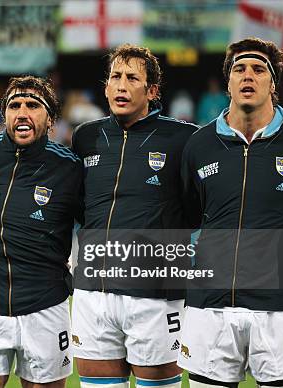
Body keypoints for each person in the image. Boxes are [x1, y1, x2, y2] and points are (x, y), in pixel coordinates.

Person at [178, 38, 283, 388]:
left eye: (259, 70)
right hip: (210, 303)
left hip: (281, 303)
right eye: (239, 69)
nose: (248, 76)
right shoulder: (199, 144)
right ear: (227, 81)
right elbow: (188, 216)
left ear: (273, 84)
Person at [71, 44, 198, 388]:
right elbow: (79, 206)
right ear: (106, 87)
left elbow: (201, 208)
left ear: (152, 91)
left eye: (132, 78)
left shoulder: (185, 139)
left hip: (155, 293)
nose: (121, 85)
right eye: (115, 77)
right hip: (92, 292)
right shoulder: (86, 137)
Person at [0, 76, 82, 387]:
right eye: (14, 105)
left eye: (33, 105)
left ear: (51, 119)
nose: (22, 112)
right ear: (4, 116)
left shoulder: (70, 168)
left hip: (45, 308)